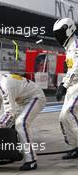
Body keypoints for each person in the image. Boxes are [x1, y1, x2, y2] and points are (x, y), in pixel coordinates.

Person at [0, 64, 46, 171]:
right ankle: (17, 151)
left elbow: (10, 114)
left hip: (35, 98)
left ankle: (31, 161)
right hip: (23, 101)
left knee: (21, 123)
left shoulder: (4, 84)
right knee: (4, 123)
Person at [53, 18, 78, 159]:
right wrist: (64, 83)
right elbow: (70, 70)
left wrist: (64, 85)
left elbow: (77, 68)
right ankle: (74, 146)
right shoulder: (69, 47)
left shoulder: (75, 45)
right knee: (63, 116)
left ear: (69, 29)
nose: (58, 37)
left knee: (69, 112)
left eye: (60, 33)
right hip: (72, 86)